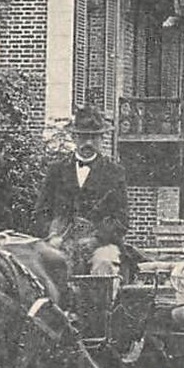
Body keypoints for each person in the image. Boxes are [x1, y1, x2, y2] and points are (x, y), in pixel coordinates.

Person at [33, 106, 128, 280]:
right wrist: (51, 236)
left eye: (94, 137)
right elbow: (41, 212)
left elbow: (121, 220)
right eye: (83, 137)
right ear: (74, 137)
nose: (88, 143)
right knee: (40, 266)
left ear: (102, 139)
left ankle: (100, 307)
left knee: (104, 263)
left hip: (101, 244)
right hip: (60, 242)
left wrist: (96, 240)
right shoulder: (56, 170)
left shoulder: (114, 173)